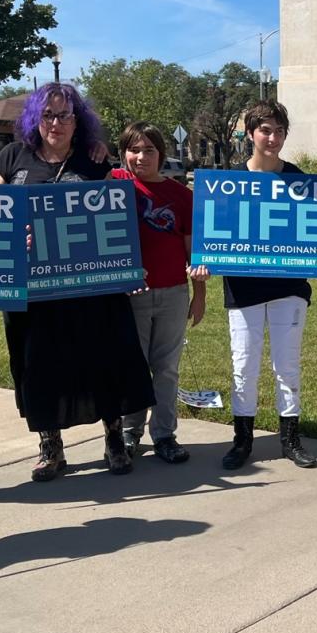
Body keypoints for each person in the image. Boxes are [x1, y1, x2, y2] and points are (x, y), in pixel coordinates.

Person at [0, 83, 154, 480]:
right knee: (38, 366)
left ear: (78, 120)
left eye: (65, 115)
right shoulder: (12, 158)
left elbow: (119, 219)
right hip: (33, 290)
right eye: (48, 115)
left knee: (103, 359)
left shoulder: (95, 161)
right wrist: (11, 234)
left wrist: (127, 267)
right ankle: (50, 446)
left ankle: (114, 439)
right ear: (34, 118)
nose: (56, 123)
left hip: (90, 289)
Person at [191, 100, 317, 471]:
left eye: (279, 131)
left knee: (287, 365)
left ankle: (290, 439)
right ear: (251, 134)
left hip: (289, 289)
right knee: (244, 365)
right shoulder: (229, 183)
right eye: (265, 130)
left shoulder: (300, 180)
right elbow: (211, 239)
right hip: (243, 291)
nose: (273, 138)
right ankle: (243, 440)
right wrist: (203, 264)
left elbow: (315, 237)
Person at [110, 121, 205, 463]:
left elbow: (193, 251)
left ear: (161, 154)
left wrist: (200, 295)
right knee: (132, 367)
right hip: (129, 295)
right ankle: (129, 433)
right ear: (123, 154)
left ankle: (164, 434)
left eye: (149, 150)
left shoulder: (181, 196)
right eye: (134, 149)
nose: (141, 157)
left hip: (172, 293)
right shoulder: (115, 186)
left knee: (165, 368)